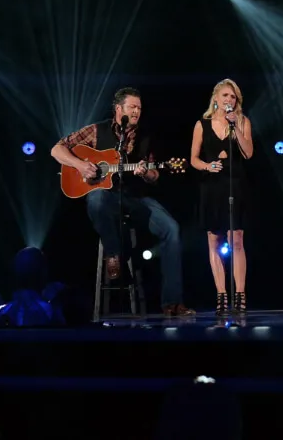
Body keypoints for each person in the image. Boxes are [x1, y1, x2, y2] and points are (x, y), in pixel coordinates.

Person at [50, 87, 194, 316]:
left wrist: (146, 173)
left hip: (135, 197)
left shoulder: (145, 137)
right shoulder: (96, 131)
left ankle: (172, 303)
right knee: (96, 198)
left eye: (139, 108)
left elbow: (155, 176)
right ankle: (113, 253)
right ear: (119, 109)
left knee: (171, 229)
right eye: (132, 107)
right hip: (106, 198)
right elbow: (56, 149)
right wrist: (80, 165)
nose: (136, 112)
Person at [189, 79, 254, 316]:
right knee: (214, 240)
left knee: (236, 239)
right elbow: (193, 159)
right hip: (211, 185)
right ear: (216, 98)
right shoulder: (201, 124)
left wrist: (236, 127)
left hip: (235, 183)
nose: (229, 100)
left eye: (233, 97)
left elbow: (248, 153)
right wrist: (207, 166)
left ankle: (240, 294)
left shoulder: (242, 122)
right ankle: (221, 295)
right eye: (225, 95)